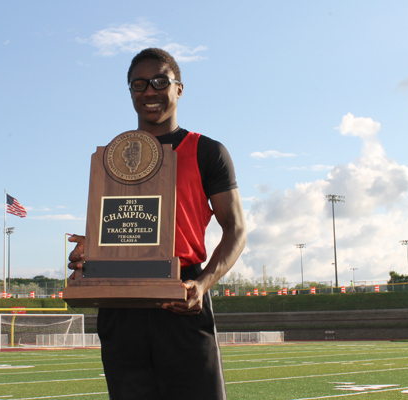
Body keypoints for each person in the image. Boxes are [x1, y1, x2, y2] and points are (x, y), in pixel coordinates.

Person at [68, 48, 247, 400]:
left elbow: (236, 229)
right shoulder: (112, 156)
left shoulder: (207, 151)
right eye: (139, 84)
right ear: (130, 92)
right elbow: (119, 225)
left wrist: (203, 283)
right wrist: (90, 254)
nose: (149, 91)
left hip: (181, 296)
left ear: (179, 88)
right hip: (120, 304)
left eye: (159, 81)